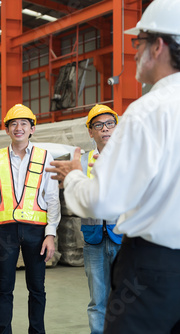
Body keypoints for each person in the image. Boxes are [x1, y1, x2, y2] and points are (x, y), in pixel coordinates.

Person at [46, 0, 180, 332]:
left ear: (159, 46)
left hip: (154, 269)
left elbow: (104, 200)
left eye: (139, 42)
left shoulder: (149, 111)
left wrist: (74, 177)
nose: (134, 53)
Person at [0, 104, 60, 334]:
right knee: (4, 288)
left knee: (37, 288)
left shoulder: (45, 157)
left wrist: (51, 234)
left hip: (37, 232)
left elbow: (53, 198)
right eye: (13, 124)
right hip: (4, 233)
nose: (19, 128)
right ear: (7, 130)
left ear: (32, 129)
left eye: (24, 123)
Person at [80, 104, 122, 334]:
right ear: (91, 131)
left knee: (126, 298)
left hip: (123, 239)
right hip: (93, 240)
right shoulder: (81, 161)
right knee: (98, 302)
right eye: (98, 125)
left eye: (109, 124)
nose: (105, 129)